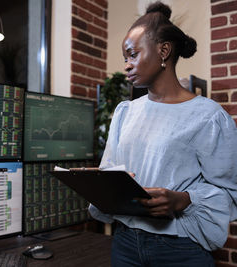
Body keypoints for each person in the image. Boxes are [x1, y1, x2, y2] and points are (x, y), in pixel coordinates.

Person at [89, 2, 237, 266]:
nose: (126, 65)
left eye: (133, 55)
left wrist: (183, 200)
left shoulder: (208, 116)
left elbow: (229, 191)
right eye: (125, 58)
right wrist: (100, 182)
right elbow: (112, 171)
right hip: (124, 244)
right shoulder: (125, 112)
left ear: (163, 51)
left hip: (179, 248)